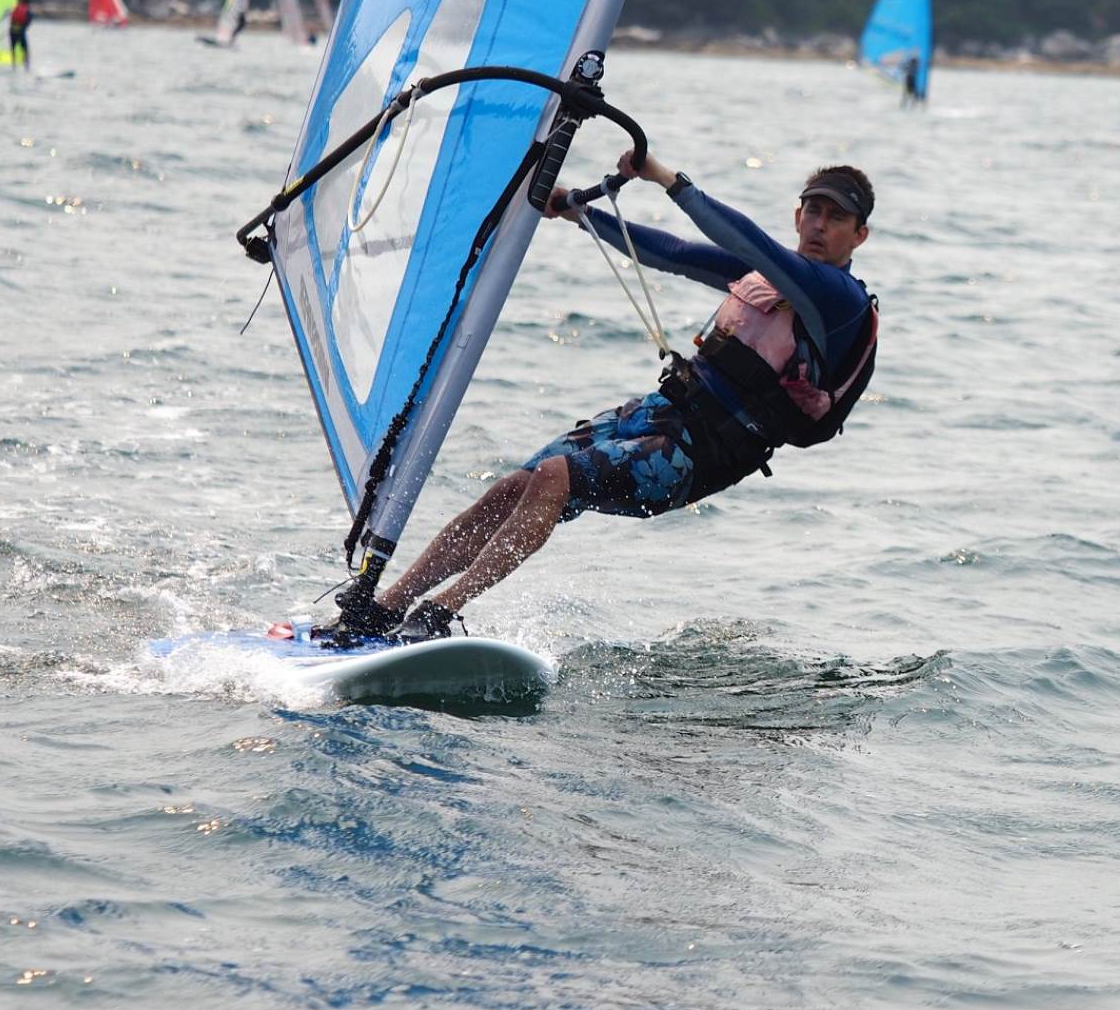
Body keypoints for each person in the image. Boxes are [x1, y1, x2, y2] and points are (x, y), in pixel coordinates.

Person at [321, 153, 881, 647]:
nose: (820, 225)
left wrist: (665, 177)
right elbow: (670, 252)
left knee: (554, 479)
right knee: (517, 486)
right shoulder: (772, 277)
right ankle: (386, 606)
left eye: (836, 218)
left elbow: (745, 240)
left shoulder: (838, 300)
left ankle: (440, 612)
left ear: (859, 237)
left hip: (704, 452)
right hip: (663, 411)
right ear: (798, 216)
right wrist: (581, 213)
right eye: (813, 211)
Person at [8, 0, 32, 70]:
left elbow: (11, 18)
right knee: (25, 49)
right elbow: (28, 22)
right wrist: (24, 28)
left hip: (12, 31)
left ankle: (13, 66)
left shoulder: (16, 7)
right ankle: (26, 66)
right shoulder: (27, 10)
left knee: (13, 49)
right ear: (27, 3)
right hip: (20, 32)